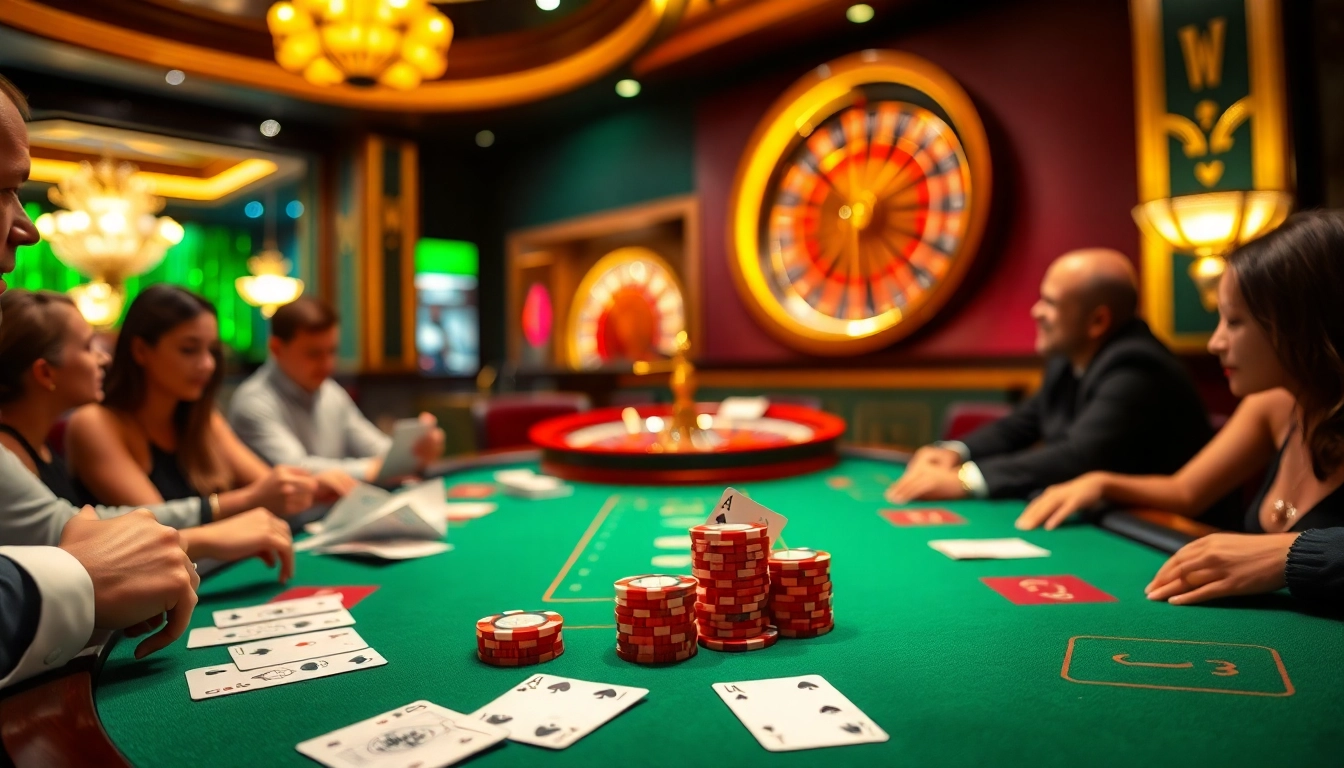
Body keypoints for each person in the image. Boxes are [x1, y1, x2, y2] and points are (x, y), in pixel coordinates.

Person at [1017, 211, 1344, 606]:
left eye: (1235, 322)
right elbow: (1186, 491)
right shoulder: (1272, 405)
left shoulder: (1136, 362)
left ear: (1302, 325)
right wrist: (1102, 483)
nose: (1215, 343)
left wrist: (1287, 554)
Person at [0, 72, 198, 689]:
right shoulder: (86, 424)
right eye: (4, 190)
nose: (27, 227)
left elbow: (94, 536)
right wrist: (73, 579)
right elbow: (94, 545)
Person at [0, 289, 295, 579]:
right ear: (45, 373)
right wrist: (222, 526)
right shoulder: (29, 445)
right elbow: (92, 537)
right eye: (89, 347)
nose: (103, 358)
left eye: (212, 351)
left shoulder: (38, 447)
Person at [887, 248, 1215, 503]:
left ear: (1098, 322)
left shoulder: (1138, 367)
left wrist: (965, 480)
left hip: (1167, 533)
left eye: (1050, 303)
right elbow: (1022, 422)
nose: (1035, 311)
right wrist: (955, 452)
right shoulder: (1068, 359)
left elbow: (1078, 455)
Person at [66, 285, 320, 514]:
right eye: (189, 349)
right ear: (141, 351)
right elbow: (159, 523)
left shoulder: (202, 418)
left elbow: (269, 486)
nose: (208, 364)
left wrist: (311, 484)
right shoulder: (93, 423)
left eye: (212, 350)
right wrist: (254, 498)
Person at [228, 296, 445, 485]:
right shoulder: (252, 402)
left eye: (332, 351)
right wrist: (372, 470)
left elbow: (374, 447)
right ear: (276, 348)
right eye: (314, 354)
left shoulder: (331, 391)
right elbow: (296, 470)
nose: (328, 364)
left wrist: (415, 449)